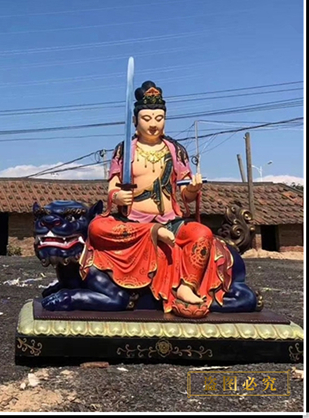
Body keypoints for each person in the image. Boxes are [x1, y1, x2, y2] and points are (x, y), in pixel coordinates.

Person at [80, 80, 233, 318]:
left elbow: (184, 192)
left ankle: (186, 286)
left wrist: (193, 189)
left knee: (202, 234)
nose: (153, 124)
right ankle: (153, 232)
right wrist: (117, 196)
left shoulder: (175, 150)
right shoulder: (125, 150)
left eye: (159, 118)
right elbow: (112, 188)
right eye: (147, 118)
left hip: (170, 221)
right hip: (133, 223)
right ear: (135, 121)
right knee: (96, 228)